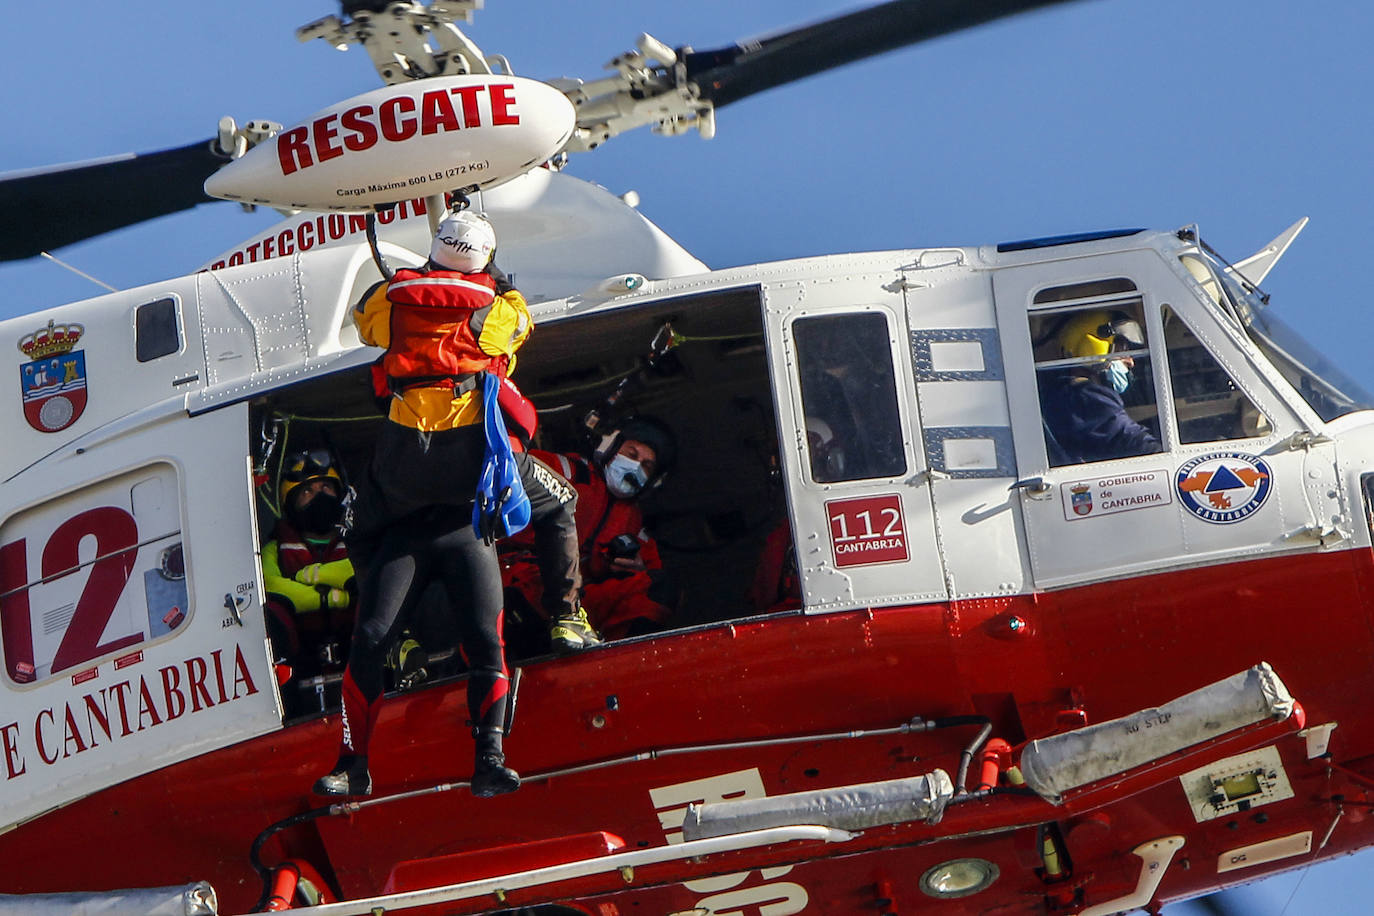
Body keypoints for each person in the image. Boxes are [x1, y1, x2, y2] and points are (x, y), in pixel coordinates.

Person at [313, 207, 528, 798]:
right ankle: (490, 757)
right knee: (487, 640)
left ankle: (352, 766)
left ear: (434, 251)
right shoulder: (500, 311)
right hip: (463, 519)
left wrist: (411, 282)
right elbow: (516, 335)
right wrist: (498, 286)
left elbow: (365, 323)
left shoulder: (394, 299)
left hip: (405, 515)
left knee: (372, 637)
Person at [501, 416, 676, 643]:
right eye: (632, 454)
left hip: (578, 608)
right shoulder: (563, 470)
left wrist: (636, 570)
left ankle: (612, 660)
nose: (636, 467)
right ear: (610, 448)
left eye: (646, 465)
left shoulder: (635, 528)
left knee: (660, 588)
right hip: (517, 585)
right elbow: (505, 473)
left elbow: (652, 585)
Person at [262, 449, 355, 680]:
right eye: (307, 491)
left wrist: (312, 575)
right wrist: (333, 598)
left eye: (326, 487)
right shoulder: (274, 549)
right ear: (291, 502)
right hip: (301, 657)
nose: (319, 495)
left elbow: (363, 572)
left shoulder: (356, 539)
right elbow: (270, 585)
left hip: (361, 648)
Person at [1041, 310, 1161, 464]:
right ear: (1091, 347)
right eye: (1122, 350)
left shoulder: (1065, 392)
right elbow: (1129, 437)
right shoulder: (1085, 398)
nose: (1130, 362)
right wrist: (1159, 450)